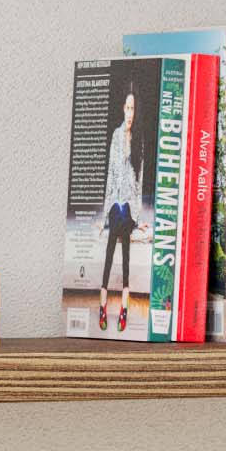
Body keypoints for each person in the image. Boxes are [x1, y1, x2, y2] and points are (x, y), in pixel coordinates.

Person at [98, 84, 145, 332]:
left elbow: (139, 181)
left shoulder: (138, 140)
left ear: (136, 111)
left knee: (125, 258)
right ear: (122, 109)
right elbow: (110, 175)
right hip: (115, 206)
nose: (130, 112)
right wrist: (104, 214)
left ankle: (124, 310)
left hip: (128, 207)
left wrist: (138, 216)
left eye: (133, 108)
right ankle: (103, 308)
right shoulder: (116, 136)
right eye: (127, 107)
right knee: (108, 256)